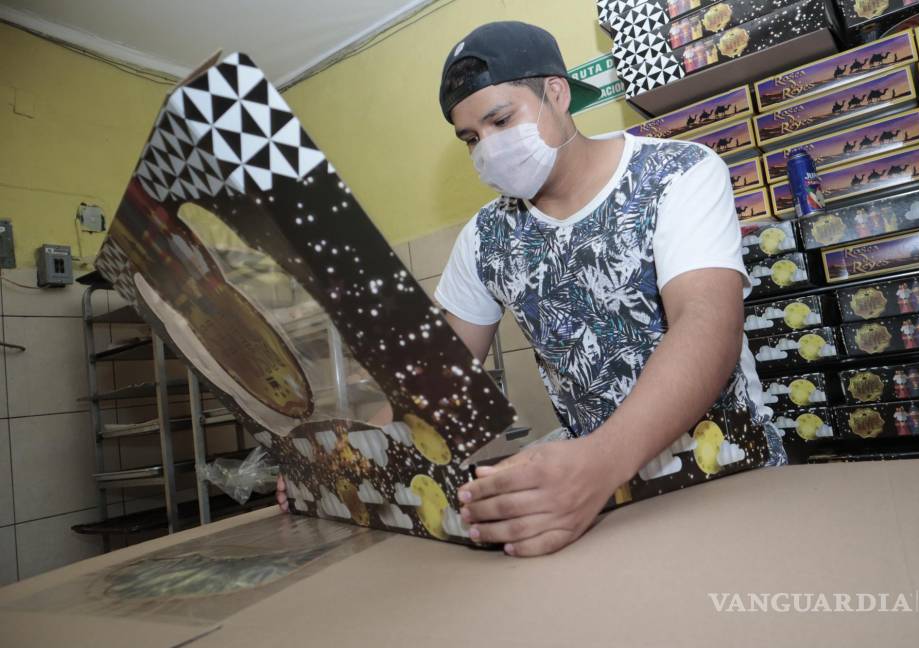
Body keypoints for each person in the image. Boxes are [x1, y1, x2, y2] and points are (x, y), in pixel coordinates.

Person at [279, 21, 785, 556]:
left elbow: (706, 324)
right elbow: (436, 382)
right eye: (471, 138)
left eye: (501, 120)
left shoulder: (677, 175)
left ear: (557, 93)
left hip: (727, 467)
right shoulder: (485, 238)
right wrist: (338, 464)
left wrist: (597, 461)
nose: (488, 149)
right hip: (602, 498)